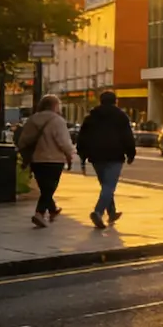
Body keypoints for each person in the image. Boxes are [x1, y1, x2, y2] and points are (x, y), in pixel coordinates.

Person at [75, 90, 136, 230]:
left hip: (96, 156)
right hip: (115, 155)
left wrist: (83, 155)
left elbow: (82, 137)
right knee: (109, 186)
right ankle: (98, 212)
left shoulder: (91, 117)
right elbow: (127, 136)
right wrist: (131, 153)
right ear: (115, 101)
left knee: (105, 185)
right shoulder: (121, 116)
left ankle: (112, 212)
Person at [18, 95, 75, 228]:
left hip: (36, 159)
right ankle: (39, 213)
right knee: (49, 188)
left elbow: (23, 141)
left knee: (45, 187)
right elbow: (64, 142)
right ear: (55, 106)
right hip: (54, 159)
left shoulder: (32, 120)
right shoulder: (57, 121)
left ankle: (53, 210)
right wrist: (69, 155)